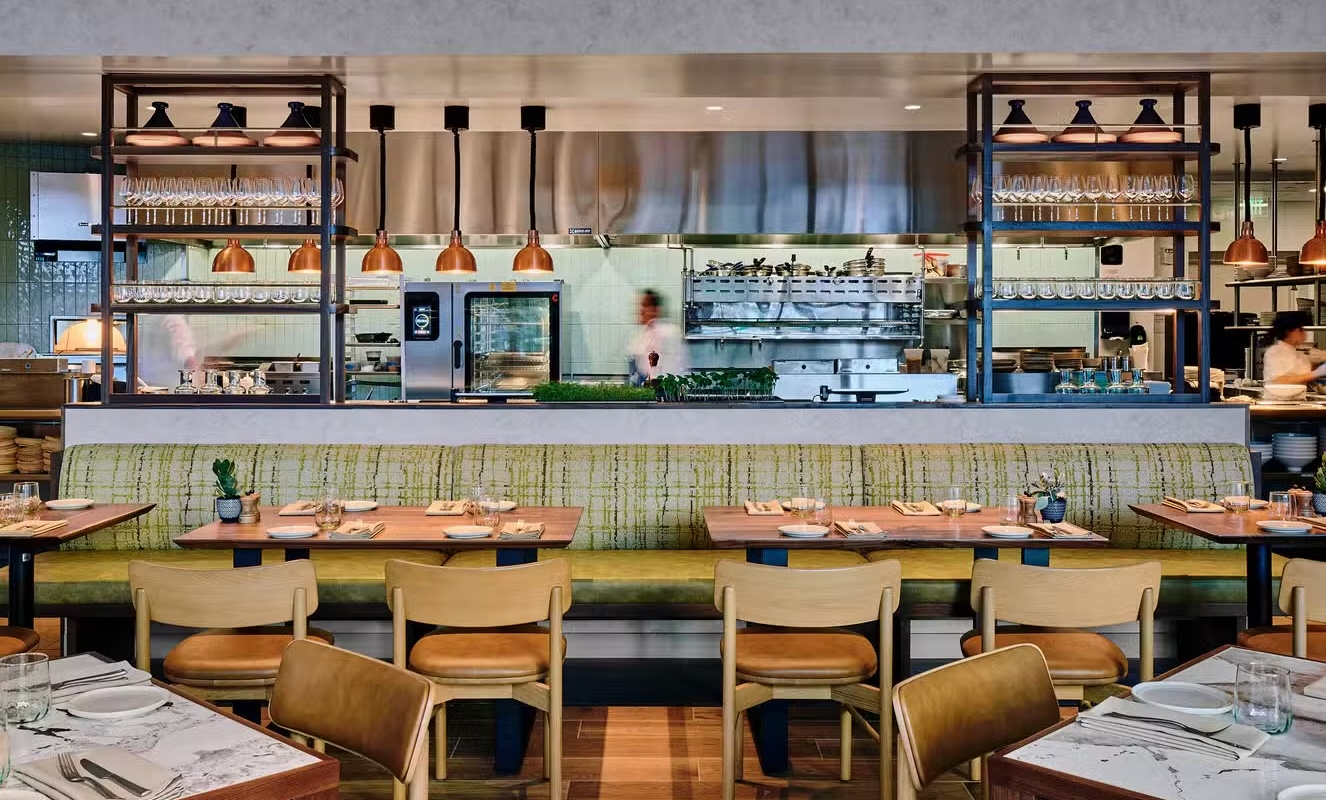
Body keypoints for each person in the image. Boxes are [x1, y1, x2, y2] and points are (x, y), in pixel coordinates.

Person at [628, 289, 686, 384]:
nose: (641, 310)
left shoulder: (669, 334)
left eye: (645, 305)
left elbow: (672, 368)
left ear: (656, 309)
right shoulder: (643, 335)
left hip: (667, 390)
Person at [1263, 310, 1326, 385]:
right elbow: (1279, 380)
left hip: (1299, 395)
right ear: (1292, 332)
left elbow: (1318, 355)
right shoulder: (1274, 352)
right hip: (1278, 396)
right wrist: (1316, 373)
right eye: (1301, 330)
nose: (1305, 334)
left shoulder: (1300, 349)